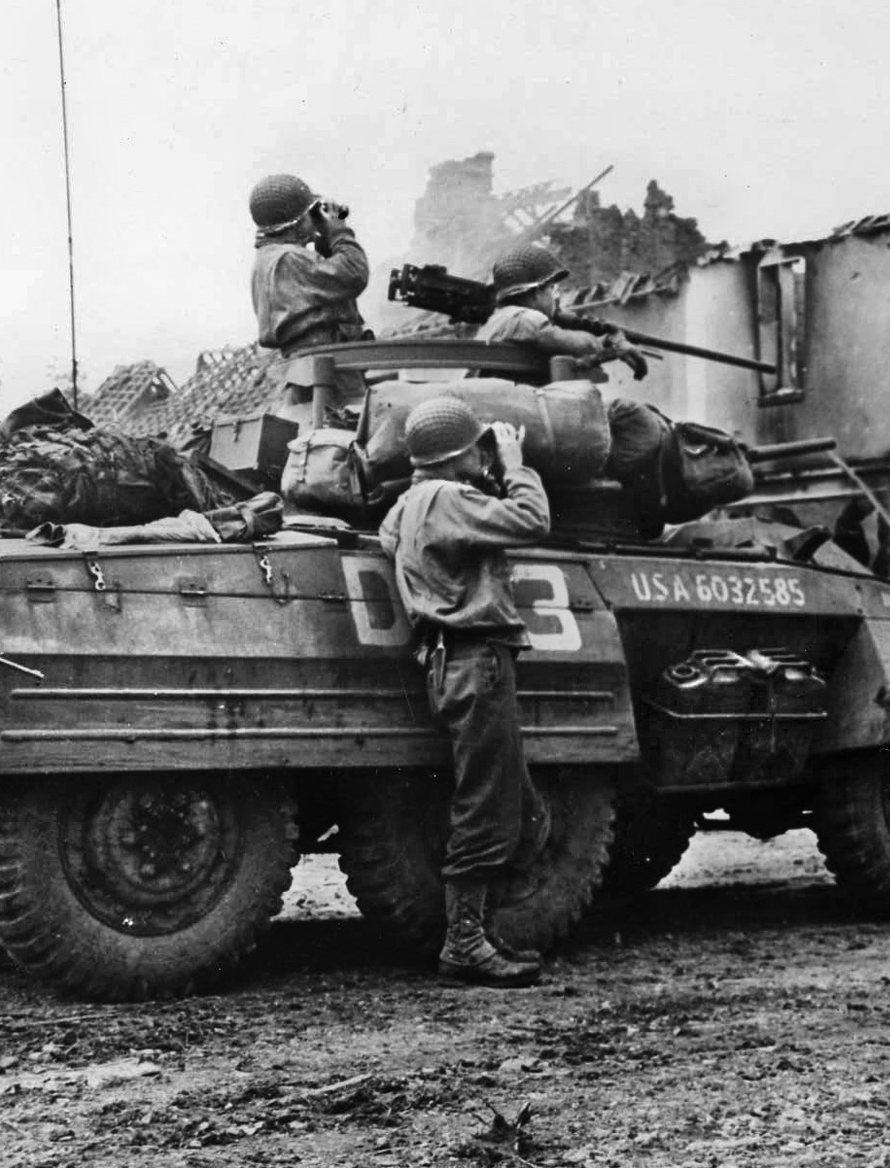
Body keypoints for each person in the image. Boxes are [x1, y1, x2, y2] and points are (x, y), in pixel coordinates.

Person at [378, 396, 552, 988]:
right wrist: (514, 461)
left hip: (452, 663)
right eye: (479, 445)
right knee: (489, 805)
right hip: (477, 659)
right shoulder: (449, 499)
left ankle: (483, 926)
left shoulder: (405, 506)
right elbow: (532, 521)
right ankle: (465, 943)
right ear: (461, 453)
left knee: (516, 805)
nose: (486, 452)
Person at [478, 245, 648, 383]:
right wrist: (611, 341)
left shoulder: (498, 319)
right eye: (552, 288)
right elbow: (582, 346)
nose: (556, 295)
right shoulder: (525, 319)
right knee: (629, 410)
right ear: (536, 292)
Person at [248, 172, 371, 353]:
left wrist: (324, 242)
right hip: (329, 363)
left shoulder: (268, 257)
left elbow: (327, 286)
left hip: (311, 358)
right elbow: (354, 273)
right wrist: (338, 231)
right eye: (309, 214)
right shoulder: (290, 258)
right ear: (297, 223)